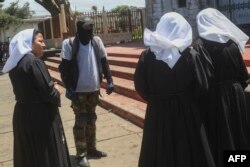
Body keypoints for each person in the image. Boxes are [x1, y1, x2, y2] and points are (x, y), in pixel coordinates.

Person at [134, 12, 215, 167]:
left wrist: (156, 99)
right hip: (186, 110)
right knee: (191, 150)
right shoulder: (190, 55)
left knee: (158, 149)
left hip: (157, 111)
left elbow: (140, 86)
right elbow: (202, 85)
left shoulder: (147, 56)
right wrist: (188, 99)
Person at [2, 29, 71, 167]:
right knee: (46, 153)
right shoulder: (34, 62)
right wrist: (57, 90)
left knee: (30, 154)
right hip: (41, 116)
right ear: (28, 43)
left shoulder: (16, 64)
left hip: (23, 114)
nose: (44, 45)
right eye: (40, 41)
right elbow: (49, 93)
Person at [194, 8, 250, 167]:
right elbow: (244, 76)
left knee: (221, 134)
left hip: (214, 97)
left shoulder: (200, 45)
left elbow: (200, 78)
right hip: (235, 92)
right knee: (237, 131)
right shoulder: (231, 43)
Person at [59, 16, 114, 167]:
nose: (90, 30)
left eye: (91, 26)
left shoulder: (96, 41)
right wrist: (69, 87)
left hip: (94, 90)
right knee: (80, 122)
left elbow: (104, 61)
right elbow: (64, 69)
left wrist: (110, 80)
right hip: (78, 92)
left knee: (92, 120)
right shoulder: (69, 43)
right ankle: (81, 154)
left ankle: (91, 149)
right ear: (79, 28)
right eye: (87, 27)